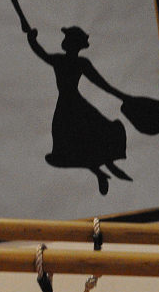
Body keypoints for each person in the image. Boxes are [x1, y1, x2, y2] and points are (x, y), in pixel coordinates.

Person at [25, 25, 132, 195]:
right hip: (73, 104)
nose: (64, 41)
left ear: (72, 44)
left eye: (67, 39)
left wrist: (32, 39)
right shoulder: (70, 61)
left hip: (69, 105)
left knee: (80, 139)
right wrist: (31, 39)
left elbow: (101, 84)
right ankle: (101, 171)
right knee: (76, 141)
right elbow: (42, 53)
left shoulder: (70, 61)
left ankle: (102, 168)